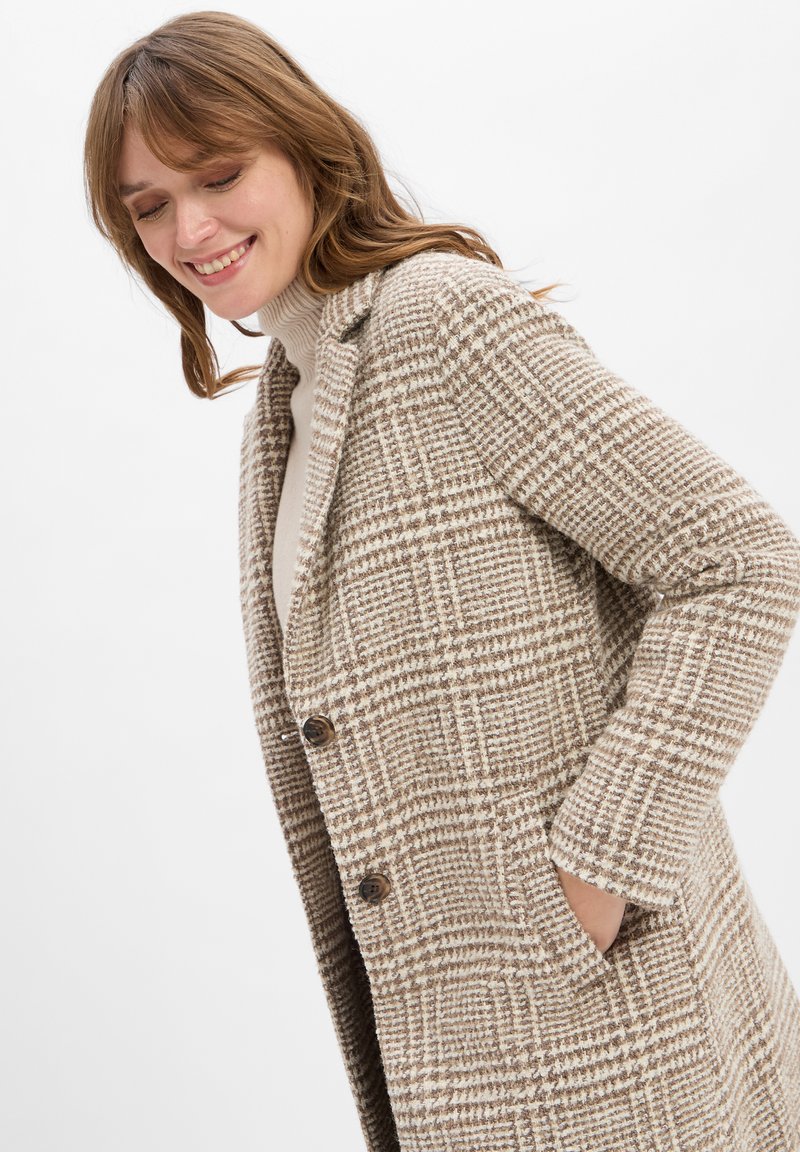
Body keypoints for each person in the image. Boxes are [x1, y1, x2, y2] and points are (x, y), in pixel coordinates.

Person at [83, 12, 800, 1152]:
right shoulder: (285, 409)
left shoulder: (438, 320)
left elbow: (737, 560)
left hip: (612, 1033)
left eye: (217, 176)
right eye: (150, 206)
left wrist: (594, 873)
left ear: (304, 148)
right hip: (457, 1051)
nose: (191, 229)